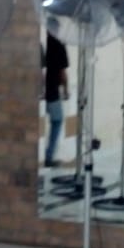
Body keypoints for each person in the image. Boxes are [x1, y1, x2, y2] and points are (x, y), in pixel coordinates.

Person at [42, 34, 69, 168]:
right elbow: (62, 73)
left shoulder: (47, 42)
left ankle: (47, 155)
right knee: (57, 121)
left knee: (53, 121)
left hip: (45, 90)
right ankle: (49, 156)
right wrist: (66, 90)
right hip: (53, 91)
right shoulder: (60, 45)